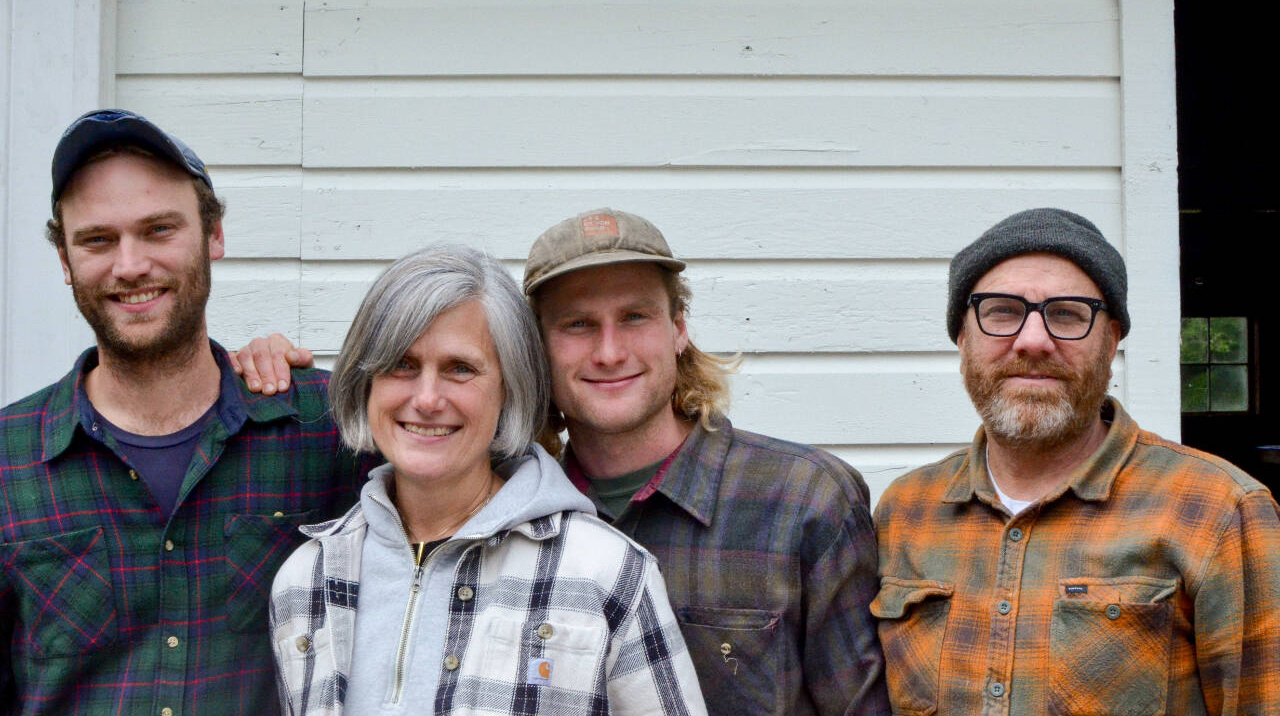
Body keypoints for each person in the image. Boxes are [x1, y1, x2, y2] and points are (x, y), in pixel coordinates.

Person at [235, 209, 888, 715]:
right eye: (577, 324)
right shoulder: (422, 515)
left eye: (634, 316)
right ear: (535, 352)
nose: (608, 352)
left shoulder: (800, 500)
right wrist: (260, 372)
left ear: (679, 325)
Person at [0, 110, 374, 715]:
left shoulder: (323, 429)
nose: (130, 265)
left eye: (158, 230)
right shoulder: (8, 461)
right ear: (65, 261)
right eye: (98, 240)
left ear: (214, 235)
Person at [874, 207, 1280, 715]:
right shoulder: (906, 510)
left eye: (1067, 314)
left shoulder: (1218, 510)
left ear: (1110, 341)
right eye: (1001, 311)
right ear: (962, 338)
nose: (1033, 341)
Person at [269, 244, 704, 715]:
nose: (428, 398)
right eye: (402, 365)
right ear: (366, 382)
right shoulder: (306, 578)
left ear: (508, 389)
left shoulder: (606, 572)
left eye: (461, 369)